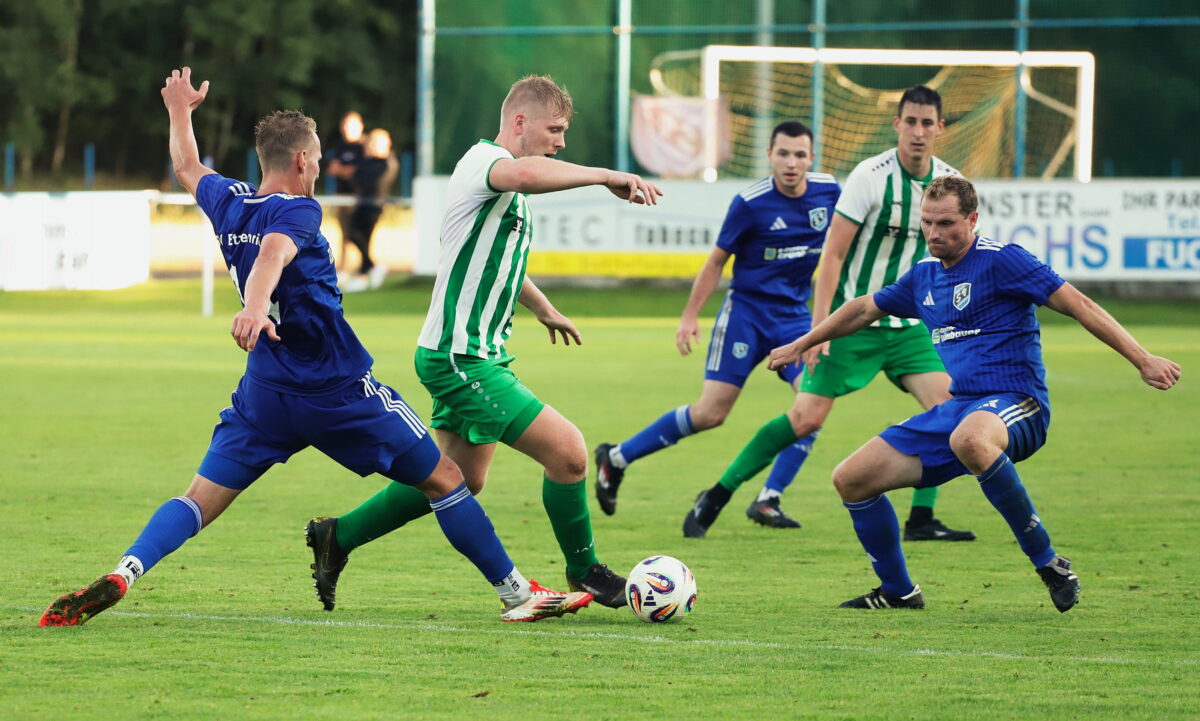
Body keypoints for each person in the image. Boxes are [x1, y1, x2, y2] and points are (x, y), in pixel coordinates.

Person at [39, 67, 592, 627]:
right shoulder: (300, 210)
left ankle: (125, 571)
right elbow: (274, 253)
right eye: (321, 158)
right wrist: (257, 306)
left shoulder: (230, 201)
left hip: (265, 393)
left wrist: (179, 112)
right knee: (447, 479)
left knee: (198, 500)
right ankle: (516, 593)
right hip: (336, 389)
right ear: (302, 160)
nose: (322, 167)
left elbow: (186, 166)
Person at [304, 74, 663, 611]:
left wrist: (541, 308)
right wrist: (605, 176)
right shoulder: (484, 162)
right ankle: (584, 568)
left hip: (475, 353)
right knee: (568, 453)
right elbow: (526, 174)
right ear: (519, 122)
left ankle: (338, 535)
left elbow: (495, 260)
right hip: (460, 357)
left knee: (459, 479)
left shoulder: (503, 183)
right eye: (555, 130)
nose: (561, 141)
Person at [768, 175, 1181, 611]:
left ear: (972, 219)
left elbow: (1081, 305)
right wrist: (803, 342)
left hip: (1017, 402)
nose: (933, 233)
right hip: (961, 409)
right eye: (927, 222)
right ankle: (898, 592)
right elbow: (864, 308)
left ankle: (1049, 563)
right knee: (851, 479)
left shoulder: (1003, 260)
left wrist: (1142, 358)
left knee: (970, 439)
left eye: (946, 223)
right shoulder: (924, 275)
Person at [675, 86, 977, 541]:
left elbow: (960, 257)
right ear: (897, 124)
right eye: (911, 122)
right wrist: (820, 330)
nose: (918, 131)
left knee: (950, 411)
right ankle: (717, 493)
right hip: (855, 319)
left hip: (912, 327)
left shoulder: (950, 184)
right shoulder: (870, 177)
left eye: (927, 123)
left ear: (940, 128)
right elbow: (832, 255)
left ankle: (921, 518)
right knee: (806, 419)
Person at [590, 121, 838, 537]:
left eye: (800, 154)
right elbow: (715, 262)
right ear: (769, 155)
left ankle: (769, 497)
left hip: (796, 320)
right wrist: (690, 316)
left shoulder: (830, 193)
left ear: (811, 158)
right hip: (746, 315)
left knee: (812, 409)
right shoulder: (750, 203)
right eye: (783, 153)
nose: (791, 162)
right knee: (710, 413)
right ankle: (615, 459)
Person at [341, 128, 399, 292]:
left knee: (356, 235)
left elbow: (368, 182)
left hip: (373, 205)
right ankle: (364, 273)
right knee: (360, 239)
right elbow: (357, 179)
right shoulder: (370, 162)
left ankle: (371, 268)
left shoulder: (386, 163)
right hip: (364, 203)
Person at [325, 111, 364, 274]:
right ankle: (344, 267)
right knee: (344, 233)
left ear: (360, 127)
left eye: (352, 125)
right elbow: (332, 169)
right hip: (341, 196)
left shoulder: (364, 147)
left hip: (359, 197)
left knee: (359, 233)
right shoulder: (339, 147)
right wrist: (347, 170)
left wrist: (344, 170)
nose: (348, 129)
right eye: (346, 125)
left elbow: (360, 171)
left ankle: (365, 266)